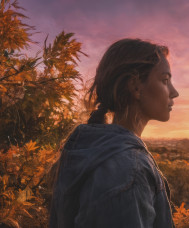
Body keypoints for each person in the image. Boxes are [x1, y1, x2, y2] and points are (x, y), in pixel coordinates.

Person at [49, 38, 179, 228]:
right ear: (135, 86)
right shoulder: (128, 172)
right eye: (165, 80)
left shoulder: (92, 149)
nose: (174, 92)